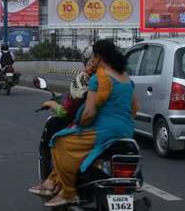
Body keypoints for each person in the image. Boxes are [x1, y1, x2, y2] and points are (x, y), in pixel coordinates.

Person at [33, 39, 138, 207]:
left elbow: (89, 112)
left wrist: (80, 123)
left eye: (94, 58)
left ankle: (68, 192)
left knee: (59, 142)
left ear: (98, 57)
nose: (92, 61)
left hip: (103, 131)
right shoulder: (126, 78)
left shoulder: (99, 78)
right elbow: (134, 109)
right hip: (126, 131)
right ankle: (55, 182)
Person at [29, 46, 95, 195]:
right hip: (113, 128)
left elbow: (66, 111)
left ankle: (52, 184)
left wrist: (51, 103)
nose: (91, 65)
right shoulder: (116, 80)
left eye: (92, 62)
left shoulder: (84, 80)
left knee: (57, 143)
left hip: (88, 128)